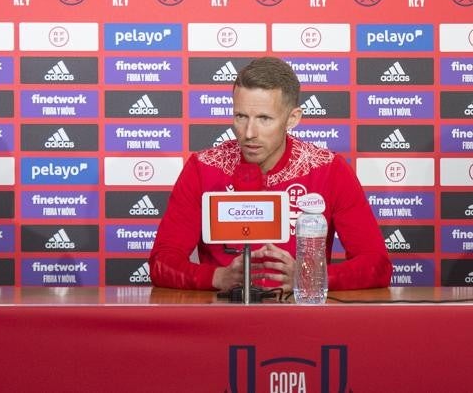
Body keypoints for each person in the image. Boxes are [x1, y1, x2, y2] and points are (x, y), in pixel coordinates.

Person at [150, 56, 392, 292]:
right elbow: (162, 263)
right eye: (241, 117)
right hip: (223, 321)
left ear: (292, 118)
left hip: (300, 322)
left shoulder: (328, 169)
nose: (249, 133)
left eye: (264, 119)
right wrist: (217, 277)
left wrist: (309, 276)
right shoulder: (203, 167)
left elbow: (377, 266)